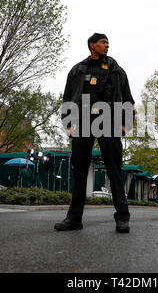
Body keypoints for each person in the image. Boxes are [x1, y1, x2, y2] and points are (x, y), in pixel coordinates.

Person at [55, 33, 134, 233]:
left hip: (108, 120)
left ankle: (122, 218)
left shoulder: (116, 70)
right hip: (82, 121)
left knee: (114, 170)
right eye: (103, 42)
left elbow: (127, 98)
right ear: (92, 45)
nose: (107, 45)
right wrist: (68, 124)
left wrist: (125, 123)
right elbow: (67, 99)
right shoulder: (77, 70)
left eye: (108, 42)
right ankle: (74, 219)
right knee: (79, 171)